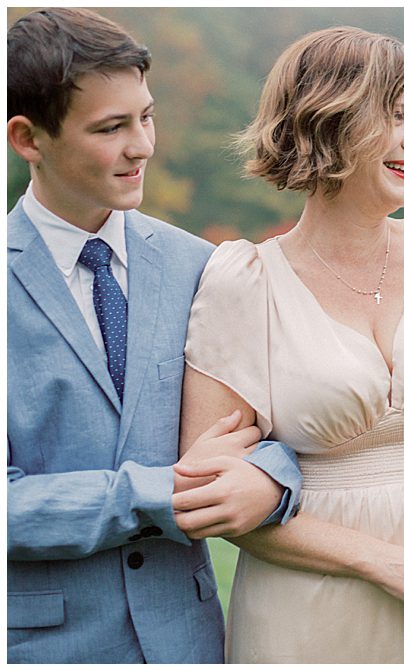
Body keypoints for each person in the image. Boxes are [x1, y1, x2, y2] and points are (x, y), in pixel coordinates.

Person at [178, 26, 404, 663]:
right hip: (309, 612)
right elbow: (214, 497)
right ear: (331, 117)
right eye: (399, 115)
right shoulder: (242, 282)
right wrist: (390, 565)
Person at [6, 8, 301, 664]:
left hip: (190, 644)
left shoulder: (201, 264)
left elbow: (277, 430)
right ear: (28, 138)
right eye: (112, 127)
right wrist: (151, 490)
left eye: (147, 116)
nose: (142, 145)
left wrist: (270, 481)